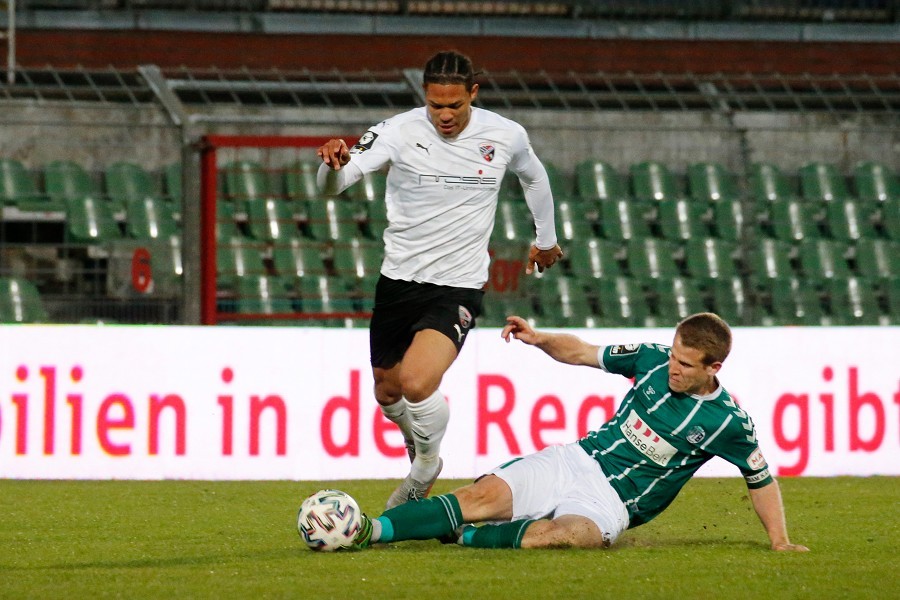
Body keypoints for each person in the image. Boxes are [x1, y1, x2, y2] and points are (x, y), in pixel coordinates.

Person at [316, 50, 564, 509]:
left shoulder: (505, 135)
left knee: (415, 382)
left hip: (457, 285)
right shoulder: (396, 131)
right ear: (424, 98)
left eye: (455, 105)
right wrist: (329, 165)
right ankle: (419, 446)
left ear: (473, 93)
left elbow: (535, 177)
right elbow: (335, 184)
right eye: (435, 106)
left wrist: (545, 239)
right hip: (398, 280)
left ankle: (426, 465)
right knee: (387, 390)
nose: (445, 115)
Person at [351, 312, 809, 551]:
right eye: (673, 355)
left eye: (685, 364)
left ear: (715, 367)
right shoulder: (650, 360)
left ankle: (465, 537)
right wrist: (540, 338)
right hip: (577, 459)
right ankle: (369, 531)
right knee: (479, 499)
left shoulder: (728, 422)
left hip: (612, 502)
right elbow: (583, 352)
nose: (672, 367)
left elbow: (760, 478)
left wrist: (779, 540)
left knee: (569, 536)